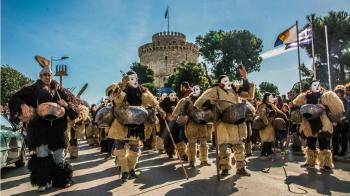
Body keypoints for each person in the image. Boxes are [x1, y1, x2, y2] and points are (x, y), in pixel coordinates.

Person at [9, 57, 79, 191]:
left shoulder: (61, 91)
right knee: (42, 154)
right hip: (39, 129)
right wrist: (22, 104)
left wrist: (67, 105)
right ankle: (43, 182)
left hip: (58, 129)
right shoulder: (32, 89)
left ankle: (61, 180)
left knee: (59, 156)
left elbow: (75, 106)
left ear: (52, 75)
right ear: (40, 75)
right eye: (44, 75)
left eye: (49, 74)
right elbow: (15, 98)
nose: (47, 77)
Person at [194, 66, 255, 176]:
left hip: (236, 120)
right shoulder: (214, 90)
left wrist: (245, 77)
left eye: (228, 80)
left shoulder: (234, 89)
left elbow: (247, 92)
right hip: (222, 122)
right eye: (224, 80)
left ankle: (241, 168)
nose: (227, 82)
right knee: (223, 147)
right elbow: (199, 102)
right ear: (219, 82)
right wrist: (210, 102)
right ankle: (224, 167)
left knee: (239, 145)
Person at [108, 71, 162, 182]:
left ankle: (131, 169)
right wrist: (120, 89)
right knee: (120, 149)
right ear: (127, 80)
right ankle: (124, 171)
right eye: (131, 78)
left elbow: (153, 102)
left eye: (136, 78)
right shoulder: (121, 89)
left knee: (134, 150)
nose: (135, 80)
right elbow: (117, 102)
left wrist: (159, 109)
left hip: (136, 124)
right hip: (121, 124)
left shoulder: (143, 91)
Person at [289, 80, 344, 171]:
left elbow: (337, 107)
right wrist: (292, 105)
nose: (316, 86)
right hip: (309, 123)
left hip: (323, 123)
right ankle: (310, 162)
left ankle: (326, 164)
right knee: (310, 143)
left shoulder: (327, 95)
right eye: (313, 85)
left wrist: (324, 107)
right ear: (311, 86)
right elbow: (295, 103)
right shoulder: (305, 95)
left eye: (317, 85)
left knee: (324, 144)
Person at [172, 85, 212, 167]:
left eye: (198, 89)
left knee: (203, 143)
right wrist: (185, 115)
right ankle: (192, 160)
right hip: (191, 124)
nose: (196, 90)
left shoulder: (203, 99)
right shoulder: (187, 100)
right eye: (195, 89)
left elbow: (209, 109)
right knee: (192, 144)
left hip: (202, 124)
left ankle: (204, 160)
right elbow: (181, 111)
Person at [256, 93, 287, 159]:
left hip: (271, 125)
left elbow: (278, 111)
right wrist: (266, 122)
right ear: (267, 97)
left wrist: (284, 116)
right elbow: (261, 113)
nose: (272, 98)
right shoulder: (263, 105)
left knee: (270, 140)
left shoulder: (271, 105)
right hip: (265, 125)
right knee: (266, 140)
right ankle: (263, 154)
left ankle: (269, 152)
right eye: (270, 97)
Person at [332, 85, 349, 156]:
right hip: (335, 122)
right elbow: (331, 111)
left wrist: (343, 119)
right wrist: (333, 121)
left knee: (343, 137)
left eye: (340, 92)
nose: (338, 93)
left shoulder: (346, 101)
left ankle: (343, 151)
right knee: (334, 136)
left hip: (343, 122)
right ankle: (335, 150)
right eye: (337, 92)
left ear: (343, 93)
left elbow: (347, 112)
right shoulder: (333, 101)